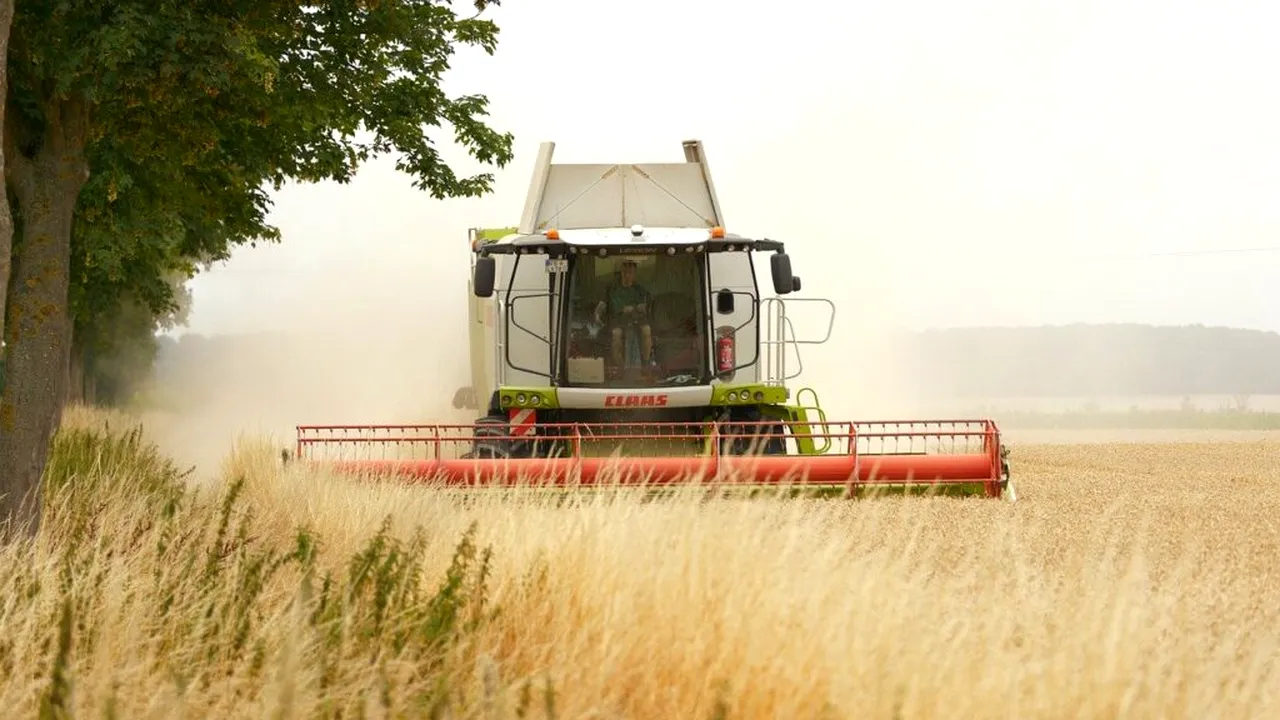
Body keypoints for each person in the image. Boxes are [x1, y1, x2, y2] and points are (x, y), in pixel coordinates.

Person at [594, 258, 653, 371]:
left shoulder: (640, 290)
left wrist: (635, 308)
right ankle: (620, 368)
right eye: (624, 272)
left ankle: (646, 364)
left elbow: (646, 307)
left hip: (636, 318)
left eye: (630, 272)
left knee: (647, 330)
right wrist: (597, 313)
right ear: (621, 272)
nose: (627, 275)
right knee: (616, 334)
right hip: (617, 318)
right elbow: (602, 303)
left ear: (634, 274)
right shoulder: (611, 288)